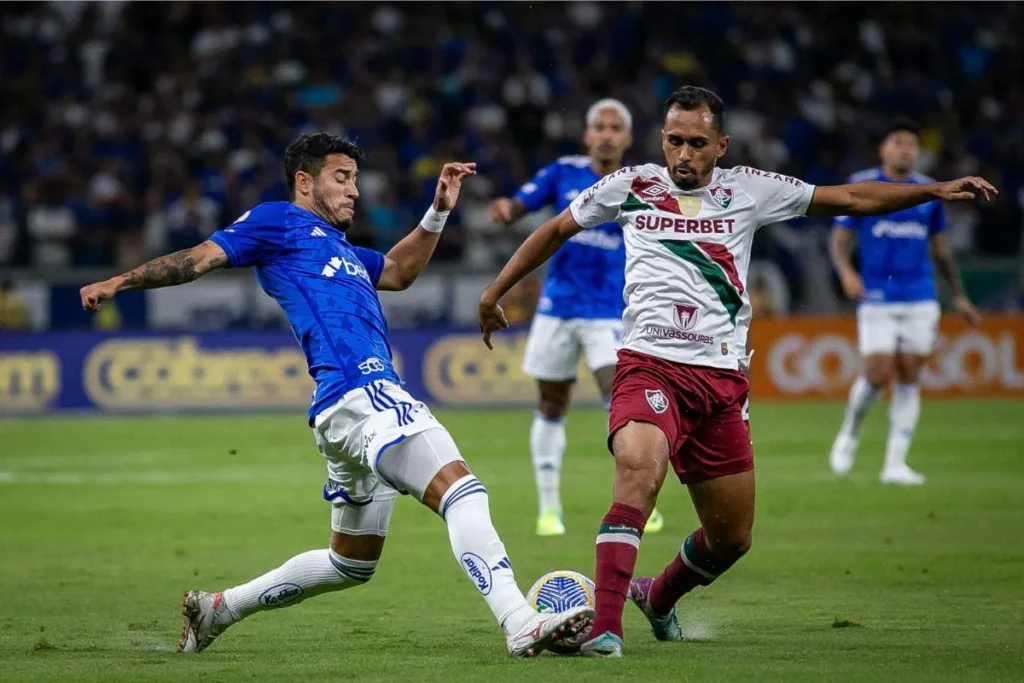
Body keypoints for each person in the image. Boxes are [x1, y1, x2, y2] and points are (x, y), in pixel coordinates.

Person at [478, 86, 996, 658]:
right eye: (674, 140)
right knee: (639, 473)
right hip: (648, 365)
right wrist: (494, 292)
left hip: (721, 382)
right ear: (662, 140)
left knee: (730, 537)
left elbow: (849, 197)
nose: (683, 154)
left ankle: (659, 595)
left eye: (697, 143)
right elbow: (553, 229)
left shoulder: (749, 189)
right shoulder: (630, 186)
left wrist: (932, 190)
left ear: (720, 145)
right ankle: (606, 628)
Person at [79, 132, 593, 658]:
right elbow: (198, 259)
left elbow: (397, 272)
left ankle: (218, 608)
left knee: (352, 563)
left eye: (355, 180)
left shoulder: (338, 247)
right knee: (464, 493)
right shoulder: (276, 221)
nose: (355, 191)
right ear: (304, 182)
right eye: (341, 178)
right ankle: (519, 620)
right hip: (364, 391)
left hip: (339, 412)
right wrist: (118, 283)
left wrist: (436, 213)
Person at [489, 99, 664, 537]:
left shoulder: (640, 183)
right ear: (587, 135)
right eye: (599, 126)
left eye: (615, 127)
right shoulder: (562, 172)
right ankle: (550, 509)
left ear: (626, 138)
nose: (606, 134)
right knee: (551, 404)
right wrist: (507, 210)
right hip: (557, 307)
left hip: (609, 308)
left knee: (619, 396)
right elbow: (521, 204)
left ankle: (639, 495)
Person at [828, 119, 981, 485]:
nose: (905, 149)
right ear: (883, 149)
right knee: (879, 373)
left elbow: (939, 249)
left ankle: (895, 464)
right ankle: (851, 429)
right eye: (897, 142)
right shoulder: (863, 185)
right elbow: (839, 239)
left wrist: (958, 295)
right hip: (877, 295)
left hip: (920, 295)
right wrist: (847, 272)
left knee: (910, 373)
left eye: (911, 144)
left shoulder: (930, 191)